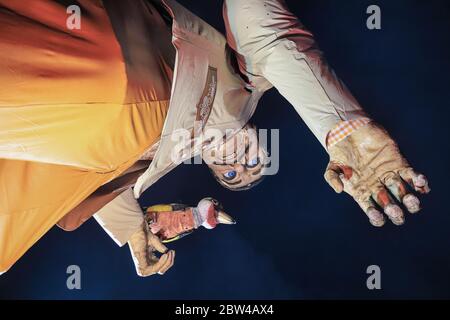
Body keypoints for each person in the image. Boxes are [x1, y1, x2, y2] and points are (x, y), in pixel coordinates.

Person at [0, 0, 430, 276]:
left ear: (207, 166)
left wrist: (135, 231)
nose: (238, 163)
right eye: (254, 160)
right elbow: (258, 21)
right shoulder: (244, 84)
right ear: (257, 135)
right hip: (126, 69)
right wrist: (340, 124)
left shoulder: (161, 162)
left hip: (70, 165)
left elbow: (113, 192)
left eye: (230, 174)